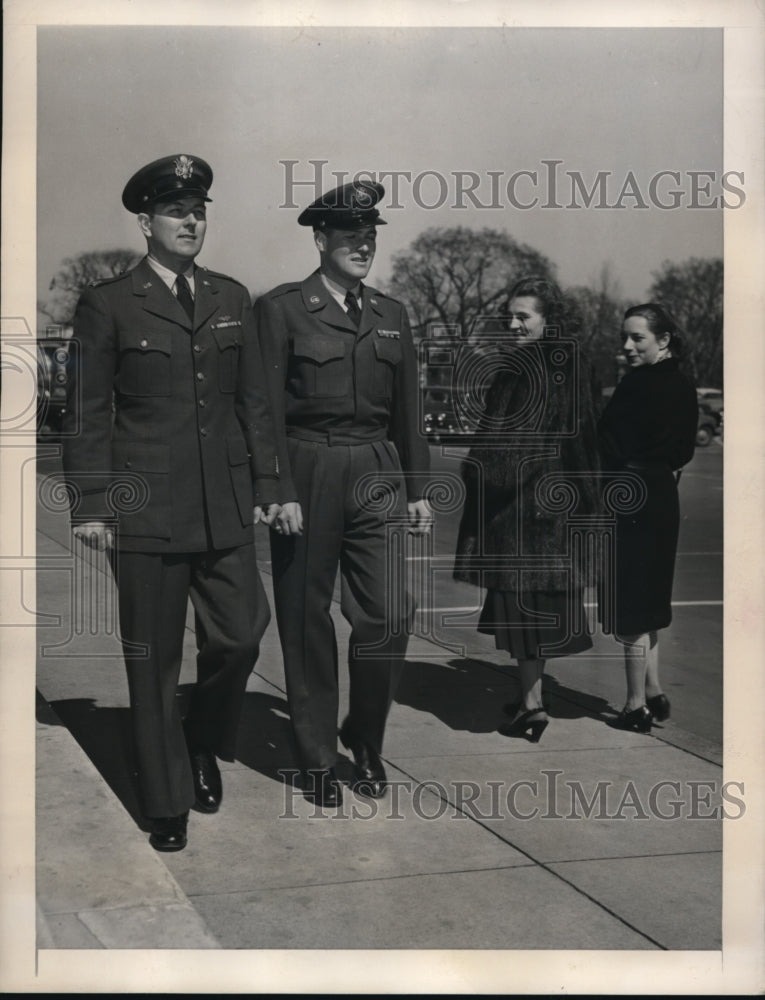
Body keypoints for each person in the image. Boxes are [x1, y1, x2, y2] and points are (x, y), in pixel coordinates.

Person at [62, 154, 285, 851]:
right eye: (175, 212)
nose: (190, 222)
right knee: (152, 659)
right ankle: (166, 800)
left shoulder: (230, 297)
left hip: (222, 505)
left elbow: (254, 404)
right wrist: (94, 503)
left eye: (199, 211)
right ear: (145, 222)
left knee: (243, 631)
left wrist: (272, 488)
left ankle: (201, 736)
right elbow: (88, 412)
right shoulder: (110, 303)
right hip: (146, 507)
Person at [254, 180, 432, 807]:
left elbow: (409, 408)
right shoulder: (282, 309)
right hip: (307, 469)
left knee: (389, 614)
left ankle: (364, 734)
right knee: (305, 621)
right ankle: (318, 757)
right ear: (320, 237)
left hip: (377, 470)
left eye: (372, 234)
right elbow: (264, 409)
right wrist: (276, 487)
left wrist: (416, 487)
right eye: (351, 234)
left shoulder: (392, 314)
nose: (364, 244)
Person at [454, 276, 601, 742]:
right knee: (538, 614)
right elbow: (584, 439)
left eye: (524, 317)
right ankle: (530, 698)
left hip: (519, 511)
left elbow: (505, 448)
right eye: (510, 317)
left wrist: (476, 469)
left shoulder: (522, 367)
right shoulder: (574, 363)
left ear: (548, 319)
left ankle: (532, 707)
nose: (514, 325)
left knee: (521, 615)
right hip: (555, 509)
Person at [597, 303, 698, 732]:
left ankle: (634, 705)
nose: (627, 346)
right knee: (651, 602)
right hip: (661, 497)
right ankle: (653, 689)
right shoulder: (685, 385)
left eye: (637, 337)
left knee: (632, 608)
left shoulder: (635, 386)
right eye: (626, 337)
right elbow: (684, 453)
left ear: (663, 340)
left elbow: (606, 440)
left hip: (628, 496)